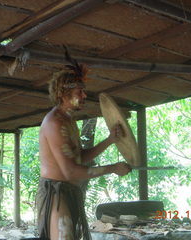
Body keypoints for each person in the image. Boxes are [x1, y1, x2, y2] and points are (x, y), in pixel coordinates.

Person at [36, 52, 132, 240]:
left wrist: (110, 139)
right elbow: (70, 172)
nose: (84, 95)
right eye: (80, 91)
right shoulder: (55, 123)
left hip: (68, 191)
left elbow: (79, 157)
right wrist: (112, 168)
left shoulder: (68, 121)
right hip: (56, 193)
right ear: (63, 93)